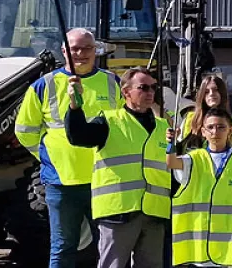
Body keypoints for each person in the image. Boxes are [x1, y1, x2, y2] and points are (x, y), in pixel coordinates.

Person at [14, 28, 124, 268]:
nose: (81, 54)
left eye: (87, 48)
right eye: (75, 48)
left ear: (96, 51)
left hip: (104, 179)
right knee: (63, 248)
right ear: (64, 51)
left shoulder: (112, 82)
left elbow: (125, 127)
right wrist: (48, 156)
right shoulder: (44, 85)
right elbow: (24, 130)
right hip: (61, 182)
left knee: (109, 249)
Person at [64, 67, 170, 268]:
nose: (150, 93)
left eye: (153, 87)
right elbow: (78, 136)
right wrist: (75, 108)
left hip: (154, 212)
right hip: (119, 212)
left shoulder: (163, 127)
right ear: (126, 92)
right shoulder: (109, 121)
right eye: (143, 87)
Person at [166, 108, 232, 268]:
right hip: (198, 241)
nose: (215, 131)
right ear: (203, 131)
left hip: (228, 240)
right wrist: (170, 144)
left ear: (230, 130)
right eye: (211, 127)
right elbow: (172, 163)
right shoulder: (195, 158)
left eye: (221, 127)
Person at [178, 73, 232, 152]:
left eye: (215, 90)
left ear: (222, 94)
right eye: (206, 92)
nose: (211, 94)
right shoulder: (189, 119)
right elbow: (178, 148)